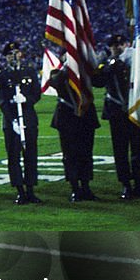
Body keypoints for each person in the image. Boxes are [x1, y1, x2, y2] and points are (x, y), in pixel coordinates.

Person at [92, 35, 140, 199]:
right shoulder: (109, 64)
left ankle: (139, 183)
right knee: (120, 149)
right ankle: (126, 184)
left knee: (139, 147)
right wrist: (100, 64)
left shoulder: (138, 61)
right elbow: (97, 82)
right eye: (113, 46)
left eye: (120, 44)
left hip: (137, 108)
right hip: (116, 111)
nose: (117, 48)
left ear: (128, 44)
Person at [47, 59, 100, 202]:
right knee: (70, 154)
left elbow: (99, 81)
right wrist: (66, 68)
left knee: (86, 153)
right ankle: (75, 187)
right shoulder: (59, 73)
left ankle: (86, 186)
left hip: (86, 115)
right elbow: (53, 83)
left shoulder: (85, 70)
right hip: (67, 117)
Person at [0, 42, 42, 204]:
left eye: (16, 53)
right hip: (11, 122)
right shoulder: (2, 75)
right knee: (13, 157)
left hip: (29, 119)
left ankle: (30, 189)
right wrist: (12, 120)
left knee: (31, 155)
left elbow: (37, 93)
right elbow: (1, 100)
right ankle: (20, 191)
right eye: (9, 54)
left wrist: (26, 100)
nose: (13, 56)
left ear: (20, 54)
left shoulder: (29, 71)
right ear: (6, 57)